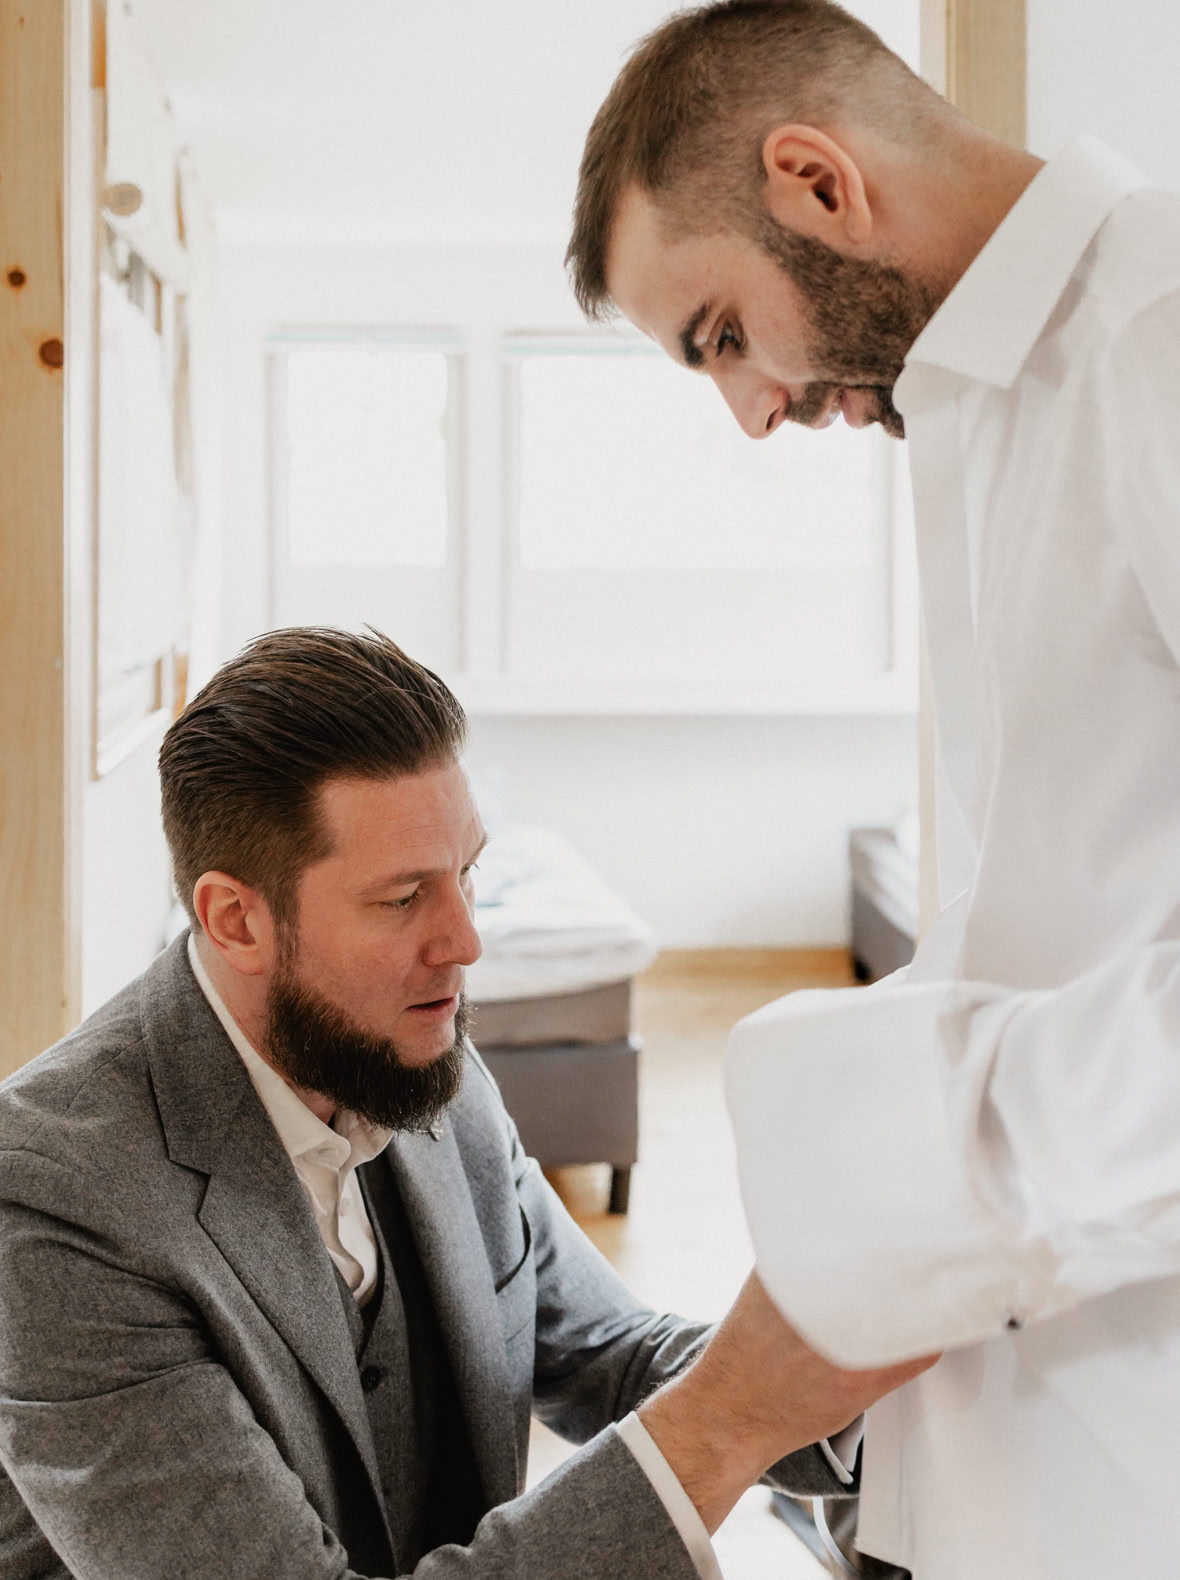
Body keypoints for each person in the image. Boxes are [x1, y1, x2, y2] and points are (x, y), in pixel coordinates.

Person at [566, 1, 1180, 1575]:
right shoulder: (983, 406)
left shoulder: (1160, 333)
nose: (751, 408)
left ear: (817, 181)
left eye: (721, 333)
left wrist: (914, 1149)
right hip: (1011, 1443)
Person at [0, 626, 929, 1579]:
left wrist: (851, 1373)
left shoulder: (410, 1054)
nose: (465, 943)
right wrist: (724, 1419)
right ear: (237, 920)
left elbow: (608, 1355)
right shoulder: (53, 1202)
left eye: (467, 873)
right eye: (403, 898)